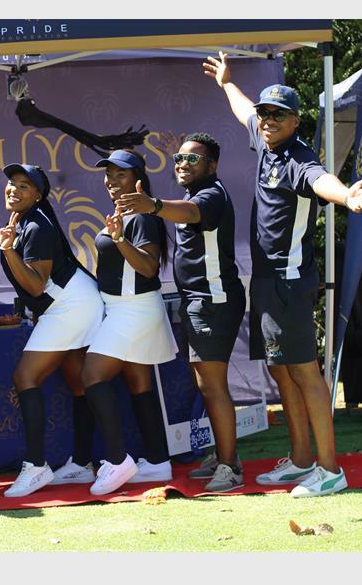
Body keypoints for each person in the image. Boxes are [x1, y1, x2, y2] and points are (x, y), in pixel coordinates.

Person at [203, 52, 362, 497]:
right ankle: (301, 460)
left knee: (305, 374)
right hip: (266, 281)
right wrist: (226, 82)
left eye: (278, 114)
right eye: (266, 113)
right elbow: (244, 109)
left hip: (289, 281)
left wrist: (345, 197)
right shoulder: (263, 138)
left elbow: (321, 180)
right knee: (281, 371)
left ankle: (329, 470)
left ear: (295, 121)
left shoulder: (299, 158)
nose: (268, 119)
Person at [115, 135, 247, 493]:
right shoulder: (195, 191)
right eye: (178, 158)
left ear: (213, 165)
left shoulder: (211, 194)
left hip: (213, 300)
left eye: (192, 159)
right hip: (197, 300)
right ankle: (224, 456)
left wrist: (153, 205)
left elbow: (189, 213)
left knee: (212, 385)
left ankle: (230, 467)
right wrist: (179, 158)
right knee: (204, 384)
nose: (182, 164)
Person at [71, 148, 179, 496]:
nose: (112, 181)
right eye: (109, 175)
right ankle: (158, 460)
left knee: (91, 375)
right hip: (125, 308)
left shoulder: (142, 215)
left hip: (134, 309)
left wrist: (118, 239)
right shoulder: (125, 212)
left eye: (120, 175)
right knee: (138, 382)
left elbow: (148, 268)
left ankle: (118, 461)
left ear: (138, 178)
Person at [0, 163, 104, 498]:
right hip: (72, 300)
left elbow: (35, 284)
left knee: (25, 378)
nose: (14, 189)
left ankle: (36, 466)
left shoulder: (36, 225)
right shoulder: (25, 222)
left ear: (38, 195)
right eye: (12, 183)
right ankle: (83, 463)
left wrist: (8, 250)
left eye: (24, 186)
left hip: (71, 305)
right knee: (77, 381)